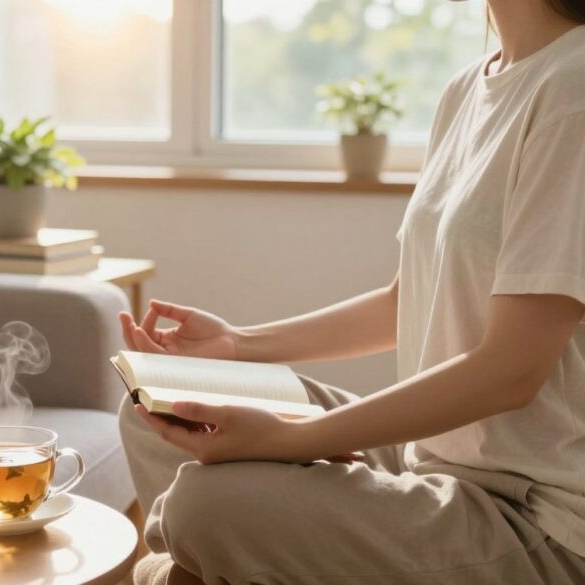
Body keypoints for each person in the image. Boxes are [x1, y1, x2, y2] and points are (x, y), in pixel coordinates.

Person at [117, 1, 585, 583]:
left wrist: (295, 439)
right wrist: (239, 344)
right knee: (158, 408)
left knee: (203, 506)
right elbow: (403, 299)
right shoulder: (467, 88)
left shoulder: (573, 87)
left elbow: (513, 370)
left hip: (529, 512)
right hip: (428, 459)